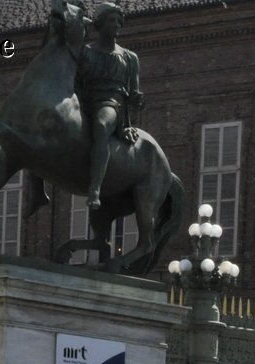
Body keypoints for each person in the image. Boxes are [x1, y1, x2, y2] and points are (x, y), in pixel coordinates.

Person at [80, 1, 143, 209]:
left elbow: (133, 91)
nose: (117, 25)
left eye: (119, 21)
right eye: (111, 21)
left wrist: (137, 99)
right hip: (84, 99)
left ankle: (95, 187)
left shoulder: (129, 58)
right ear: (99, 24)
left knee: (101, 124)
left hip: (111, 102)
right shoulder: (85, 52)